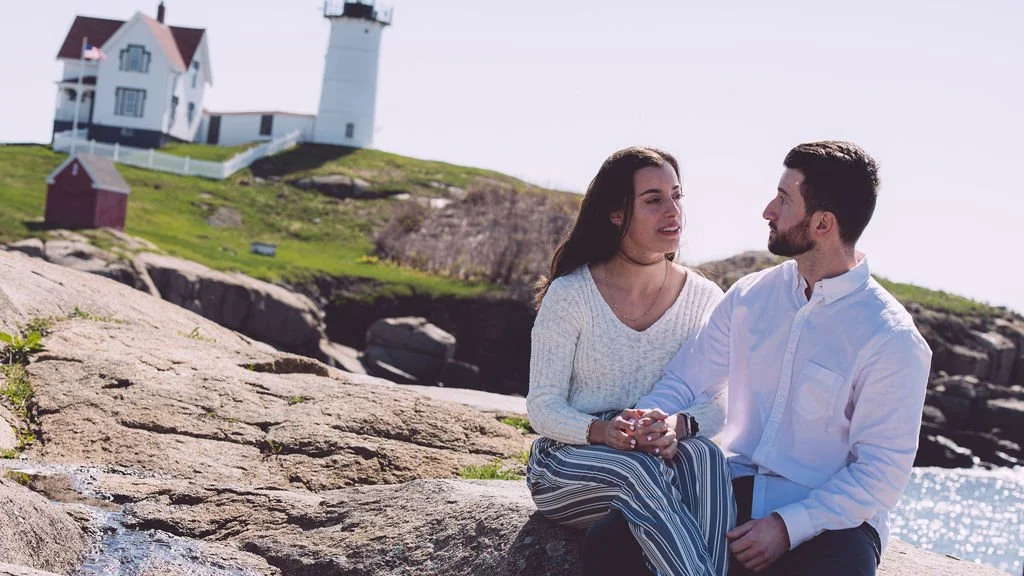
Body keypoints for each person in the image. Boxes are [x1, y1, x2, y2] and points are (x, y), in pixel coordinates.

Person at [591, 140, 932, 575]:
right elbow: (686, 380)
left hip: (830, 520)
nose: (768, 210)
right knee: (610, 543)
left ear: (823, 223)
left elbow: (880, 476)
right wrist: (652, 418)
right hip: (731, 490)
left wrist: (787, 528)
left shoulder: (891, 338)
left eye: (784, 200)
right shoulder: (751, 297)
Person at [526, 145, 735, 576]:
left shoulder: (704, 300)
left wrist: (677, 426)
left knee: (709, 461)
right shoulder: (572, 294)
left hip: (659, 455)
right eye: (654, 200)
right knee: (638, 472)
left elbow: (721, 404)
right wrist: (602, 431)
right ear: (617, 213)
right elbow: (541, 406)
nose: (673, 210)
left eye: (677, 196)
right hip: (570, 460)